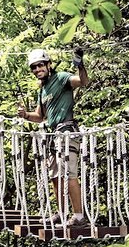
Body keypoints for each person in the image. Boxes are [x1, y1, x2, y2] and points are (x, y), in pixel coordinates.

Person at [17, 48, 89, 227]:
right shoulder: (42, 90)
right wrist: (26, 115)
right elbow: (40, 116)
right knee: (56, 176)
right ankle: (62, 214)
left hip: (66, 132)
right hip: (53, 135)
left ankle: (79, 216)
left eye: (40, 65)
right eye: (34, 67)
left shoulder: (62, 78)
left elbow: (82, 81)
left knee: (68, 173)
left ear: (49, 64)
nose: (37, 69)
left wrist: (79, 65)